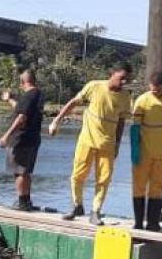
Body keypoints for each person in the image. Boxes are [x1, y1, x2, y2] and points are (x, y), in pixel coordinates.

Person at [48, 64, 132, 224]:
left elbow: (121, 121)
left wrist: (117, 144)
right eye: (122, 77)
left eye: (126, 79)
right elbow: (73, 102)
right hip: (87, 139)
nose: (124, 82)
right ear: (112, 74)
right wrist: (56, 121)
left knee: (104, 178)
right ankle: (77, 205)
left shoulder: (125, 96)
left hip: (107, 143)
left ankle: (96, 211)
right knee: (78, 175)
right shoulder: (94, 86)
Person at [129, 71, 162, 231]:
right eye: (153, 89)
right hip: (144, 152)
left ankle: (153, 223)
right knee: (138, 186)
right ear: (149, 86)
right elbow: (135, 128)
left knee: (158, 187)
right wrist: (135, 148)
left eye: (158, 89)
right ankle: (138, 222)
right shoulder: (142, 101)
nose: (156, 92)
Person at [0, 68, 45, 211]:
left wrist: (6, 135)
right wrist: (10, 100)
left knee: (19, 172)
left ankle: (21, 202)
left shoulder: (28, 96)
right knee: (26, 171)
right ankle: (26, 202)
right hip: (33, 138)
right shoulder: (37, 95)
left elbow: (21, 117)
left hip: (21, 138)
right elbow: (21, 109)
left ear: (23, 82)